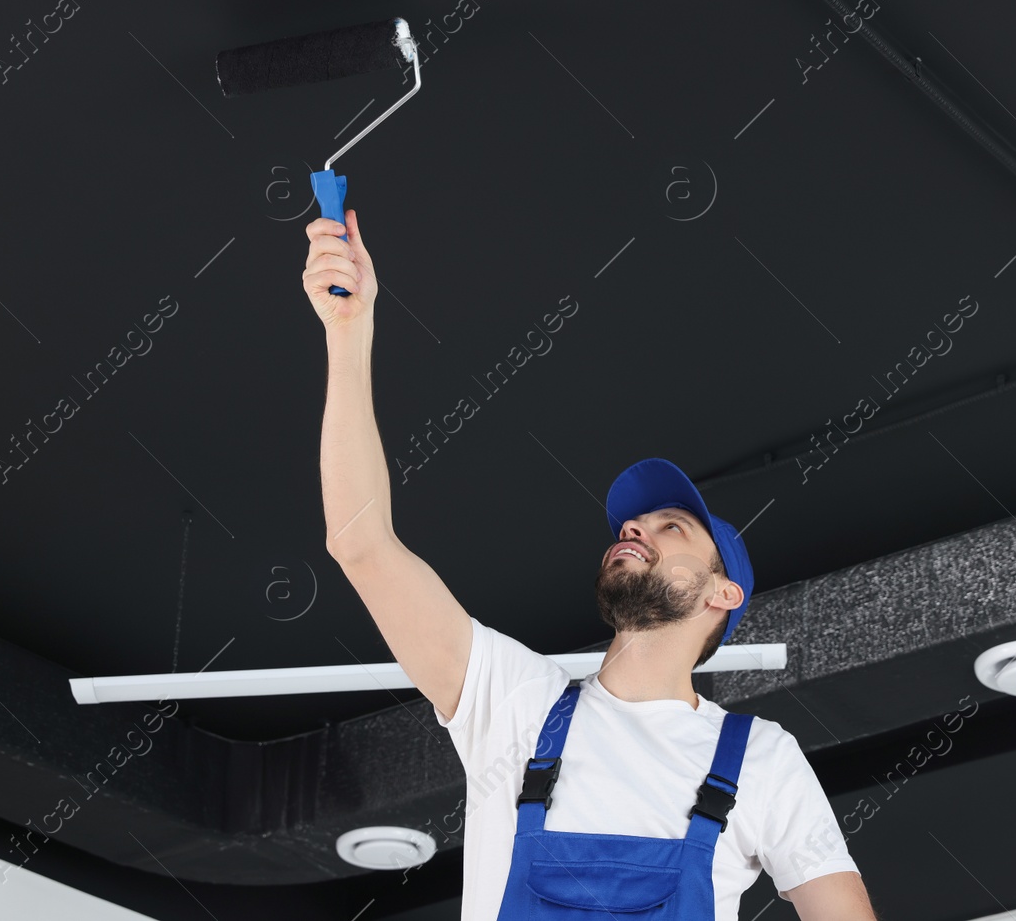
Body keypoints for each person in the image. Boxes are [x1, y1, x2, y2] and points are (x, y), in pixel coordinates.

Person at [304, 209, 878, 920]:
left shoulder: (760, 758)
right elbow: (360, 544)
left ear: (721, 592)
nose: (636, 528)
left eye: (672, 527)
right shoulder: (516, 705)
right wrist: (349, 335)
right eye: (633, 524)